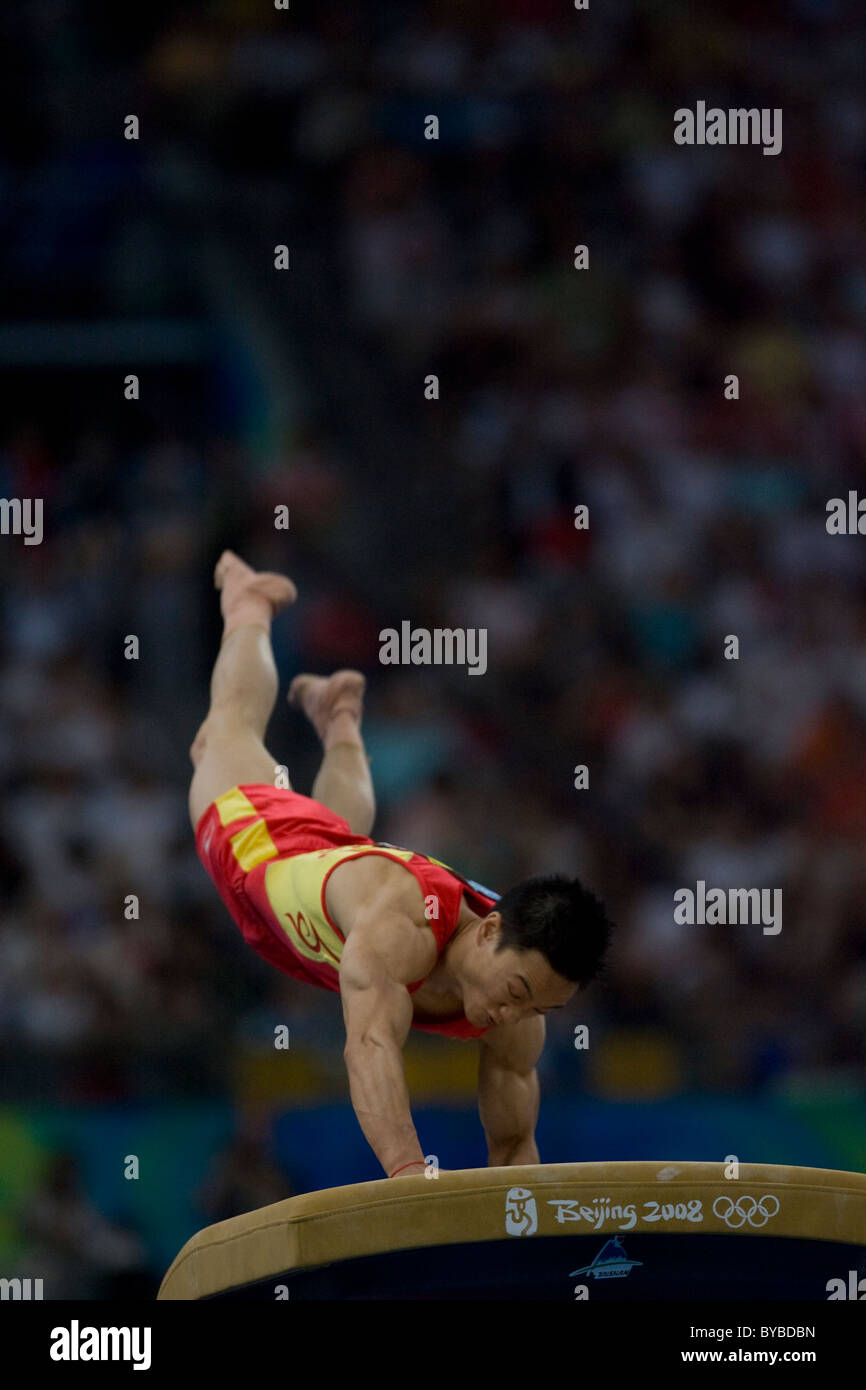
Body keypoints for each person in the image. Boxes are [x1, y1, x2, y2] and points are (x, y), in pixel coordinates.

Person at [189, 551, 612, 1180]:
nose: (512, 1017)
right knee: (221, 735)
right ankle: (247, 602)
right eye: (517, 993)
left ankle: (340, 717)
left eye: (537, 1011)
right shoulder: (399, 923)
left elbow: (515, 1151)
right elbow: (369, 1045)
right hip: (261, 845)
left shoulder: (524, 995)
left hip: (333, 874)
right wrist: (408, 1172)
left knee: (340, 835)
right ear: (491, 928)